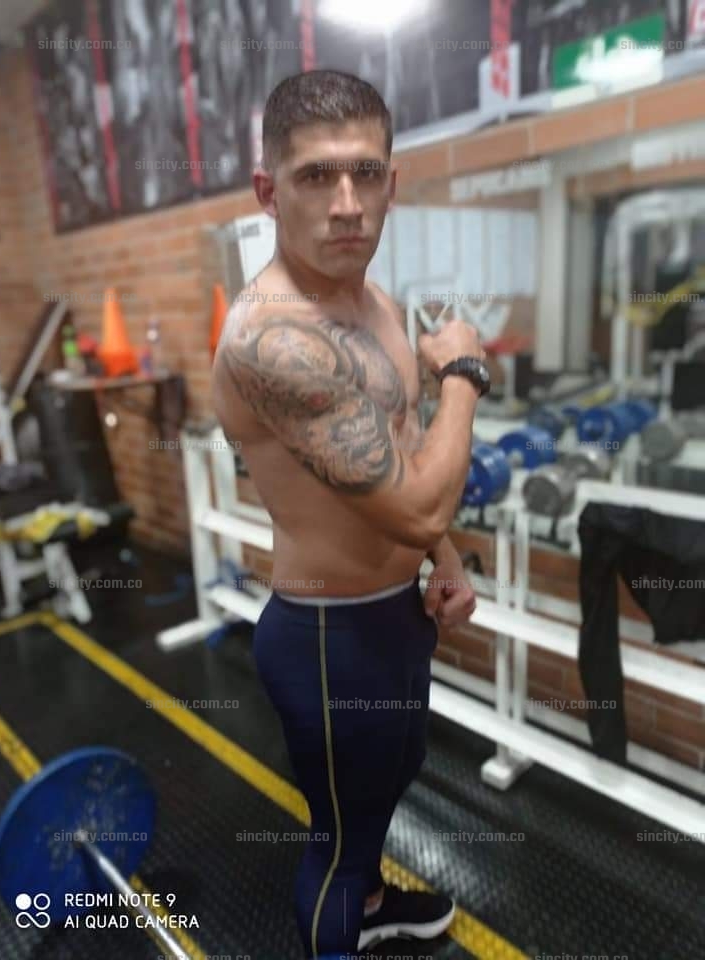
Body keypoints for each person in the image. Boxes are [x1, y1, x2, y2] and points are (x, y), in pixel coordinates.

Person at [212, 69, 489, 958]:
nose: (346, 204)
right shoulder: (275, 337)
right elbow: (418, 503)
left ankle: (370, 903)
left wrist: (446, 560)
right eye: (316, 176)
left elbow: (398, 454)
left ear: (391, 185)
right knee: (338, 836)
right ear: (268, 191)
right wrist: (465, 374)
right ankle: (345, 915)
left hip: (395, 614)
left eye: (366, 174)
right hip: (329, 639)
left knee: (394, 775)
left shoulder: (376, 306)